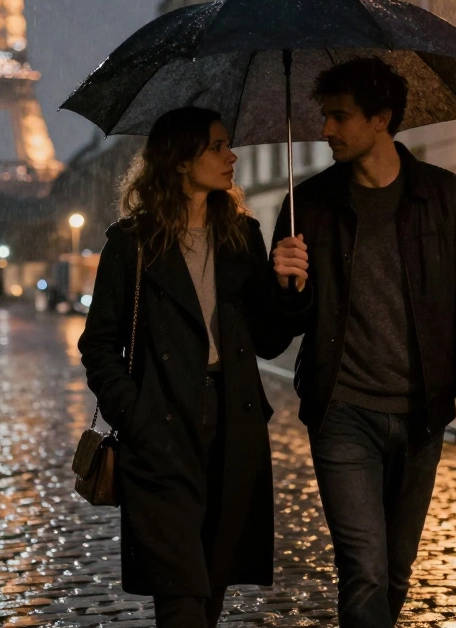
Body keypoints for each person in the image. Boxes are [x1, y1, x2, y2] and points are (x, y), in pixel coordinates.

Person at [269, 57, 456, 627]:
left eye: (340, 116)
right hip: (342, 412)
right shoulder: (307, 206)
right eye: (324, 116)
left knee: (396, 571)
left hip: (421, 414)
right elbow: (274, 334)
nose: (326, 129)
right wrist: (285, 285)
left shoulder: (445, 197)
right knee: (365, 569)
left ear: (381, 119)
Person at [78, 106, 306, 628]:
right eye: (217, 146)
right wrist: (135, 414)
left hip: (232, 423)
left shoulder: (242, 236)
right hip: (161, 423)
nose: (232, 156)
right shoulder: (131, 243)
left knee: (211, 583)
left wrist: (288, 289)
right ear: (181, 160)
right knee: (180, 588)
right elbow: (99, 345)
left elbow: (269, 340)